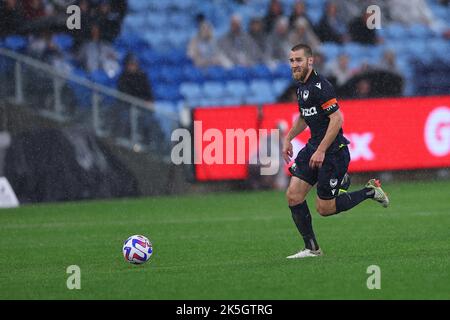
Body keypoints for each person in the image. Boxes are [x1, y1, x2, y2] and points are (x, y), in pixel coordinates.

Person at [282, 44, 389, 259]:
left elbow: (337, 118)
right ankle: (312, 249)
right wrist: (288, 137)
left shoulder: (321, 87)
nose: (295, 64)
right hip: (314, 148)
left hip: (332, 153)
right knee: (293, 196)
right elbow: (305, 117)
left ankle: (370, 191)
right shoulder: (301, 87)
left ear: (310, 61)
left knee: (325, 209)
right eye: (292, 60)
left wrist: (322, 149)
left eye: (299, 60)